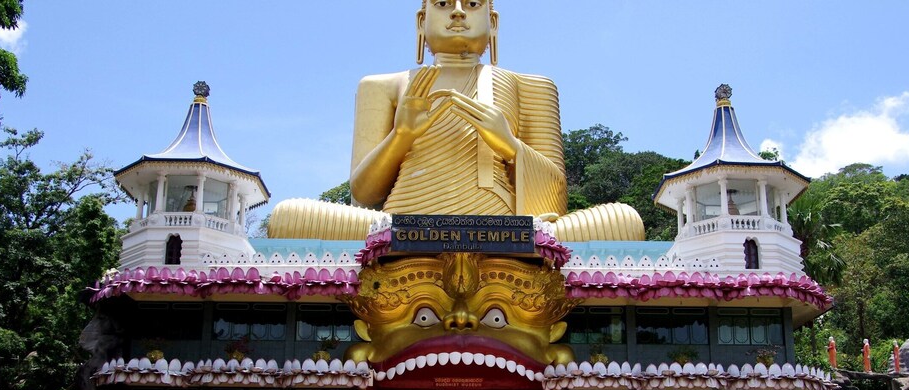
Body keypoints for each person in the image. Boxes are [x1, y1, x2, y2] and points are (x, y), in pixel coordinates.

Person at [267, 0, 643, 241]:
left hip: (505, 231)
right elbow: (364, 195)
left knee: (625, 221)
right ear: (421, 21)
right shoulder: (384, 86)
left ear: (492, 22)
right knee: (287, 218)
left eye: (473, 3)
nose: (459, 11)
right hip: (399, 228)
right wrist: (401, 136)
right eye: (444, 3)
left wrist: (509, 146)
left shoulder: (530, 86)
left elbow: (555, 202)